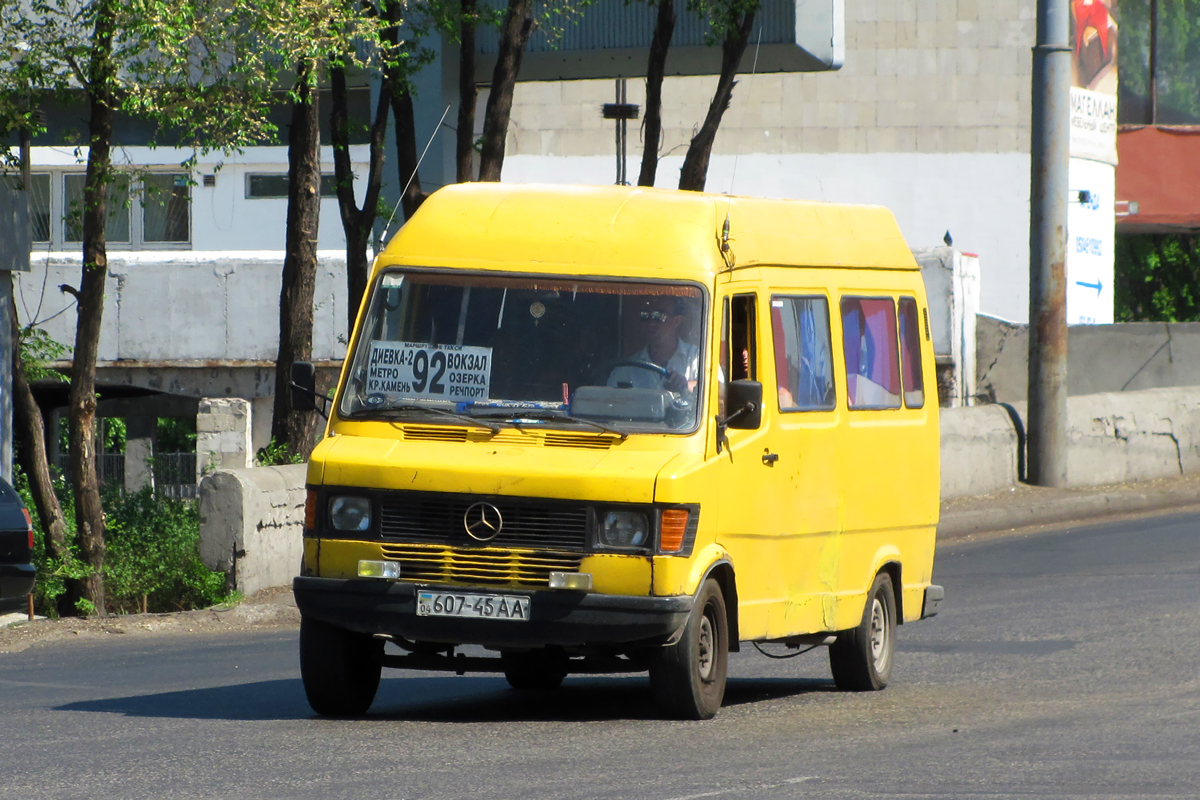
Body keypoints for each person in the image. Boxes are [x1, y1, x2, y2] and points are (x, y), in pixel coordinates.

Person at [608, 297, 699, 394]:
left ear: (677, 321)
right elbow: (609, 404)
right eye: (645, 316)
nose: (651, 323)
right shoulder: (625, 370)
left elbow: (716, 390)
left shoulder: (697, 357)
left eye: (659, 316)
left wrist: (685, 385)